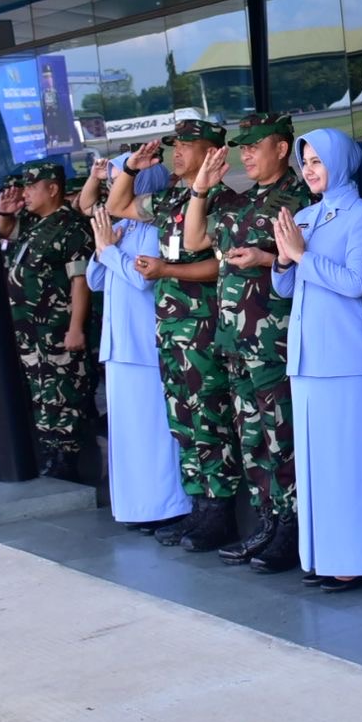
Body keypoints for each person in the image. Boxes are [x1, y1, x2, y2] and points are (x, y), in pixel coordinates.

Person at [185, 113, 311, 573]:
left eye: (256, 145)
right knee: (253, 439)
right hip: (235, 343)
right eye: (244, 147)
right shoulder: (239, 202)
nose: (247, 154)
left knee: (283, 440)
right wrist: (201, 187)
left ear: (282, 148)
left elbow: (310, 258)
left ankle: (292, 530)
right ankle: (267, 523)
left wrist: (268, 256)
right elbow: (194, 238)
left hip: (274, 342)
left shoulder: (299, 198)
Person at [106, 120, 239, 550]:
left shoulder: (223, 200)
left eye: (187, 146)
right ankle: (196, 508)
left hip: (203, 327)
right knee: (183, 421)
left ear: (212, 153)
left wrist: (167, 271)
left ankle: (219, 514)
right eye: (174, 146)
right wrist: (130, 167)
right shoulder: (168, 199)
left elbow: (222, 263)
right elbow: (117, 205)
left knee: (209, 420)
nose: (177, 153)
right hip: (170, 327)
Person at [272, 128, 362, 591]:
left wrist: (301, 256)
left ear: (340, 162)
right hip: (308, 357)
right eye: (306, 162)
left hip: (345, 354)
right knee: (319, 464)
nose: (310, 170)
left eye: (318, 161)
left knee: (352, 462)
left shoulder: (361, 214)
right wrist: (283, 261)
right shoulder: (304, 215)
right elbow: (284, 288)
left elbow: (358, 281)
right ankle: (326, 555)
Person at [88, 155, 192, 531]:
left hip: (144, 343)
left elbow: (143, 280)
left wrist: (109, 251)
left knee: (153, 431)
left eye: (120, 180)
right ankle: (137, 507)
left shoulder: (151, 229)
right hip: (119, 346)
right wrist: (103, 248)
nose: (114, 187)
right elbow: (95, 280)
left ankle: (165, 507)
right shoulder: (125, 228)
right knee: (129, 434)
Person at [0, 160, 96, 481]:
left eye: (31, 187)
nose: (24, 193)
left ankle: (68, 457)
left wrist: (76, 328)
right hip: (29, 331)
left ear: (52, 188)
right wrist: (4, 211)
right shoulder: (30, 222)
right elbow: (1, 231)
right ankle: (50, 450)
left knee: (65, 391)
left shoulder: (71, 227)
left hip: (58, 328)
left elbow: (80, 282)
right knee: (41, 391)